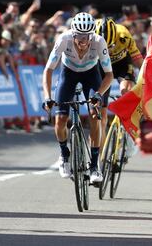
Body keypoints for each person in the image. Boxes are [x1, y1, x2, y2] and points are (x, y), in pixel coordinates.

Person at [42, 12, 113, 183]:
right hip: (68, 74)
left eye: (86, 36)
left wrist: (98, 94)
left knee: (95, 115)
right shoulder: (63, 40)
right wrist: (47, 96)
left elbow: (109, 75)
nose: (83, 41)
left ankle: (95, 166)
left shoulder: (98, 42)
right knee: (60, 119)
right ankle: (64, 154)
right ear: (73, 34)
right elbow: (48, 70)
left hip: (91, 75)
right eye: (79, 36)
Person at [94, 17, 144, 158]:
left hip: (122, 65)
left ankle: (129, 137)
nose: (108, 49)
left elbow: (138, 59)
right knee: (100, 116)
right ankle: (100, 156)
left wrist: (147, 77)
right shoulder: (91, 37)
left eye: (110, 45)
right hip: (102, 67)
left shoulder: (123, 34)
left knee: (126, 92)